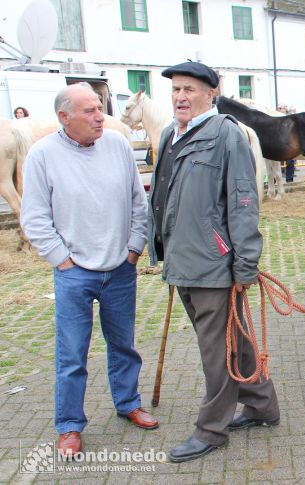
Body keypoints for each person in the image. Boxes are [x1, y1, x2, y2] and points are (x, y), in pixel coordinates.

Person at [148, 61, 279, 463]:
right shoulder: (172, 133)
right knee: (234, 341)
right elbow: (164, 196)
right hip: (182, 261)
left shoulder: (227, 135)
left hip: (213, 266)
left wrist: (244, 267)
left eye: (189, 89)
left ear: (210, 93)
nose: (180, 97)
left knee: (215, 353)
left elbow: (243, 203)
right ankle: (262, 406)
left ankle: (211, 429)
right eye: (175, 90)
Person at [20, 83, 156, 457]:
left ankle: (128, 403)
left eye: (100, 108)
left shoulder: (117, 146)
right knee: (72, 353)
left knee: (124, 345)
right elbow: (34, 217)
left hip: (120, 269)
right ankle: (69, 425)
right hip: (74, 273)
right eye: (90, 111)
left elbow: (137, 201)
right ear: (64, 117)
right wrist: (61, 259)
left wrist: (134, 248)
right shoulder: (43, 155)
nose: (100, 116)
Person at [277, 103, 296, 182]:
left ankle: (289, 179)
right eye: (282, 108)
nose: (284, 109)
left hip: (288, 143)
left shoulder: (289, 119)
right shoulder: (276, 118)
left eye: (284, 108)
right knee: (275, 163)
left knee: (290, 162)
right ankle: (275, 179)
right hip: (277, 143)